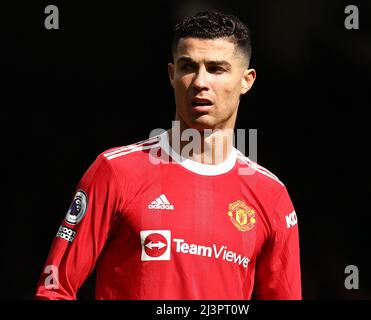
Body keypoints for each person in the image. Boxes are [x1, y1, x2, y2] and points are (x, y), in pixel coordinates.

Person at [35, 10, 301, 300]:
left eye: (216, 69)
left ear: (246, 81)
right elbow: (54, 289)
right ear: (172, 75)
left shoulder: (271, 196)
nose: (200, 81)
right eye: (188, 66)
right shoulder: (116, 171)